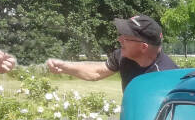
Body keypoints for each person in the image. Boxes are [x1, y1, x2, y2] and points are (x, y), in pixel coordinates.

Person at [45, 14, 177, 91]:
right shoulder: (123, 56)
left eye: (126, 38)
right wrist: (65, 67)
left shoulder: (166, 76)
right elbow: (97, 72)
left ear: (143, 47)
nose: (119, 39)